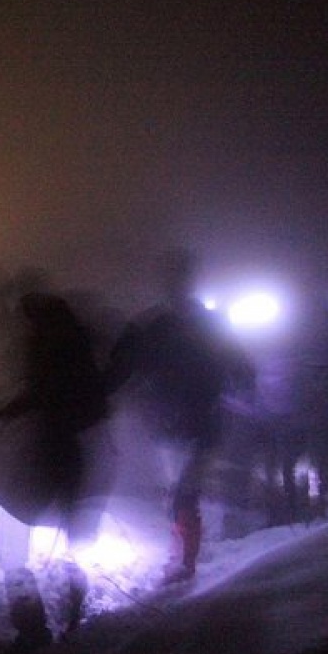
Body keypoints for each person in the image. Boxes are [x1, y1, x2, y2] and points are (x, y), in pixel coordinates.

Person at [0, 270, 110, 654]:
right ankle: (74, 619)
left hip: (36, 455)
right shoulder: (69, 332)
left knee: (12, 550)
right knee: (72, 541)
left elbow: (37, 393)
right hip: (72, 452)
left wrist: (1, 410)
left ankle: (32, 631)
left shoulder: (33, 337)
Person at [107, 249, 253, 584]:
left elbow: (239, 363)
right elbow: (240, 364)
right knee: (178, 491)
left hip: (193, 422)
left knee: (183, 492)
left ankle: (184, 562)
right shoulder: (163, 325)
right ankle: (182, 555)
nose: (175, 283)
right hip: (177, 423)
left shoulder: (163, 325)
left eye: (178, 276)